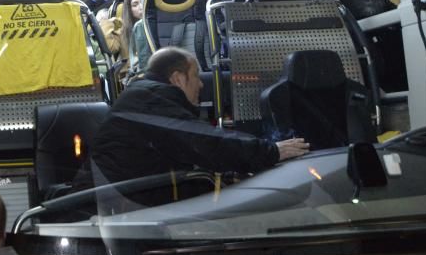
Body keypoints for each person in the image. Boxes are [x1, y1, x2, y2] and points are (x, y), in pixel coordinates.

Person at [92, 47, 309, 186]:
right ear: (178, 78)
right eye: (195, 75)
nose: (201, 83)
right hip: (111, 208)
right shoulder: (151, 99)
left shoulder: (146, 96)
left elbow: (180, 152)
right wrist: (271, 151)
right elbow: (203, 141)